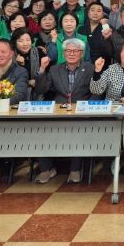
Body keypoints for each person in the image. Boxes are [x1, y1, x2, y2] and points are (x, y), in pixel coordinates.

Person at [34, 38, 95, 184]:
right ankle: (46, 169)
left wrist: (88, 108)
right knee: (41, 130)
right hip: (58, 112)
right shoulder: (55, 69)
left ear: (81, 53)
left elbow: (96, 91)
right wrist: (42, 69)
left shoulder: (90, 68)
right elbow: (41, 89)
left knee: (78, 131)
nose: (71, 54)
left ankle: (75, 170)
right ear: (63, 53)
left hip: (81, 113)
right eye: (68, 51)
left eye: (75, 51)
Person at [12, 27, 48, 100]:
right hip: (16, 94)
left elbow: (46, 78)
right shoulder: (11, 55)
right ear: (15, 42)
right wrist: (20, 66)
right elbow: (10, 80)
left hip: (39, 93)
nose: (25, 44)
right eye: (20, 41)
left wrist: (36, 81)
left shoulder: (39, 52)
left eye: (28, 40)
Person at [77, 1, 113, 71]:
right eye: (92, 10)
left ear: (103, 14)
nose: (95, 13)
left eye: (99, 11)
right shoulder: (81, 29)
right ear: (88, 13)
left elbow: (110, 53)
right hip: (83, 67)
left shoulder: (108, 29)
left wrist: (106, 39)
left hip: (103, 67)